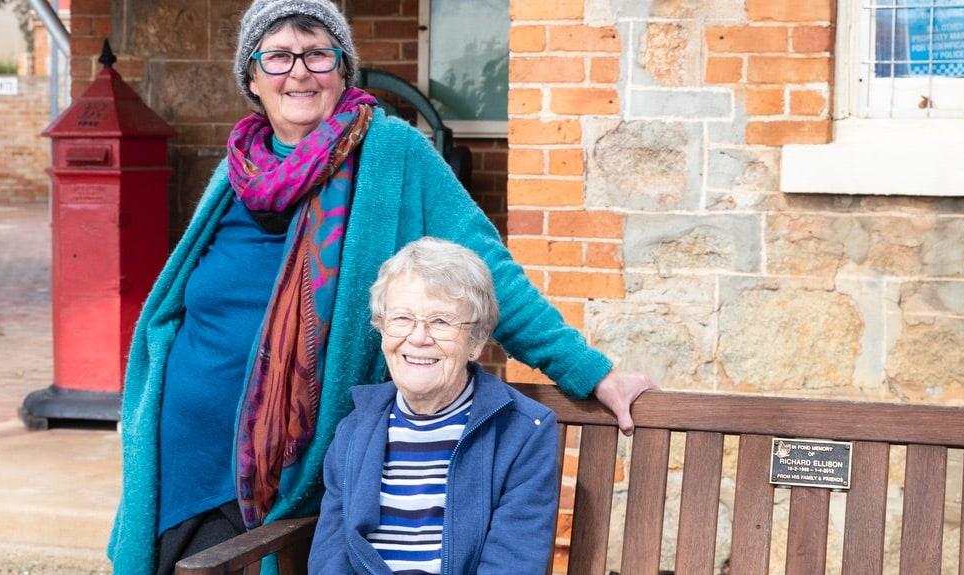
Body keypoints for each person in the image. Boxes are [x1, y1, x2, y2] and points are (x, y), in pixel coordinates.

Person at [108, 1, 653, 573]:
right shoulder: (238, 168)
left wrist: (591, 372)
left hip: (284, 465)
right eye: (278, 57)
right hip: (182, 449)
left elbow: (489, 275)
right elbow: (176, 302)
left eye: (318, 54)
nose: (299, 72)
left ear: (343, 70)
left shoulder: (391, 154)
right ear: (251, 77)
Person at [308, 238, 559, 574]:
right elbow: (331, 555)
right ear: (382, 329)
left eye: (441, 321)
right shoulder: (355, 429)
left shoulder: (523, 432)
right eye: (402, 318)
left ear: (476, 341)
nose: (418, 337)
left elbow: (512, 562)